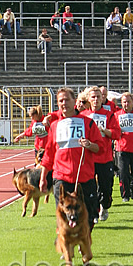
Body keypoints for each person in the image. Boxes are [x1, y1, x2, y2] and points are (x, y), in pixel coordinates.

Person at [39, 87, 104, 229]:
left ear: (74, 101)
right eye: (60, 101)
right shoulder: (55, 126)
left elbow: (100, 148)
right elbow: (49, 154)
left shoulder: (88, 123)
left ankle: (83, 243)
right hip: (61, 178)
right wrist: (43, 178)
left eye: (66, 99)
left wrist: (89, 145)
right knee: (63, 219)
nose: (64, 103)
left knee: (89, 219)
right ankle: (67, 250)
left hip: (85, 178)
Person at [83, 86, 121, 222]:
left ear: (102, 98)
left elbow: (117, 134)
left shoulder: (109, 115)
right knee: (90, 188)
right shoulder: (83, 116)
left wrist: (105, 131)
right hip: (89, 158)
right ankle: (93, 213)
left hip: (105, 157)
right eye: (93, 97)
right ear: (88, 99)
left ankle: (104, 206)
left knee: (105, 187)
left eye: (98, 97)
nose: (96, 99)